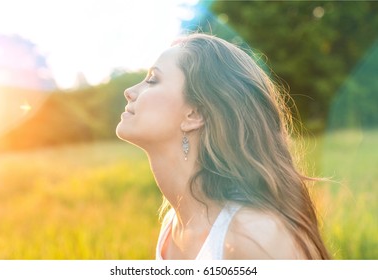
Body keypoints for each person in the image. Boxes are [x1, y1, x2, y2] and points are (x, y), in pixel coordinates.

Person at [116, 33, 330, 259]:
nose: (129, 92)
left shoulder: (255, 236)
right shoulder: (171, 227)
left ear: (194, 114)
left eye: (152, 80)